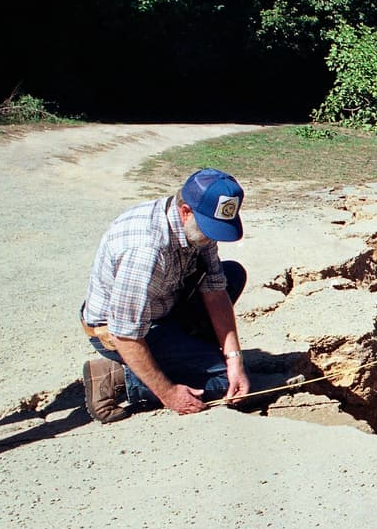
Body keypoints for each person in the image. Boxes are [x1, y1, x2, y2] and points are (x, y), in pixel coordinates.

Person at [80, 168, 251, 423]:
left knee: (232, 274)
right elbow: (124, 334)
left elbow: (215, 291)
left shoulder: (195, 226)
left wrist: (234, 359)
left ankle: (189, 353)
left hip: (162, 304)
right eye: (209, 229)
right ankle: (118, 376)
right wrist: (168, 393)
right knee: (222, 383)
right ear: (185, 212)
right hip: (122, 331)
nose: (212, 238)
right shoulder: (146, 250)